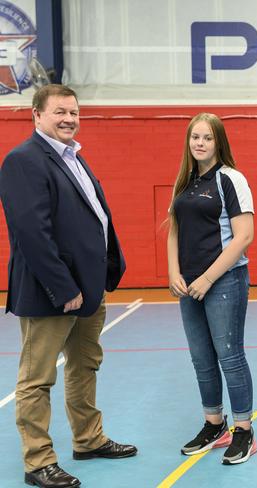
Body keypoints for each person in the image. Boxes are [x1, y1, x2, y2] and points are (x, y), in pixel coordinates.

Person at [0, 84, 136, 488]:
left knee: (84, 366)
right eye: (59, 112)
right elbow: (31, 233)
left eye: (73, 112)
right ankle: (38, 461)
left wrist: (106, 271)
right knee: (37, 378)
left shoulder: (74, 157)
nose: (69, 119)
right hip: (53, 293)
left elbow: (94, 219)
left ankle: (88, 439)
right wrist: (64, 288)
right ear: (36, 115)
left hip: (90, 291)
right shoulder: (23, 160)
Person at [167, 113, 257, 465]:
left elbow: (244, 236)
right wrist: (175, 271)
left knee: (229, 357)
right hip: (189, 286)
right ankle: (214, 424)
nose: (200, 143)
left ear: (219, 142)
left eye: (207, 137)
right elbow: (174, 228)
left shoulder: (230, 179)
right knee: (202, 359)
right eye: (195, 137)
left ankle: (244, 431)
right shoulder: (186, 181)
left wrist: (207, 277)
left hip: (224, 282)